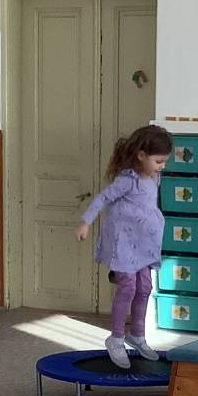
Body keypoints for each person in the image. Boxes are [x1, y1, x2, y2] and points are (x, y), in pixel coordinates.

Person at [76, 125, 171, 369]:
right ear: (141, 155)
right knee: (127, 287)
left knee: (145, 287)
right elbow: (103, 198)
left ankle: (137, 334)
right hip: (124, 244)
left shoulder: (154, 177)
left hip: (144, 243)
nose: (162, 166)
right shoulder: (128, 180)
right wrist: (85, 222)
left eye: (164, 161)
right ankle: (116, 338)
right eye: (158, 161)